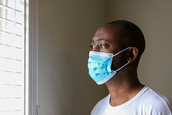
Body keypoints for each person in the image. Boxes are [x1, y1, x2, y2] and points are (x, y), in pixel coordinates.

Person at [88, 20, 172, 115]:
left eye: (102, 45)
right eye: (92, 46)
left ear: (130, 54)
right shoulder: (98, 109)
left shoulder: (155, 106)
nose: (93, 52)